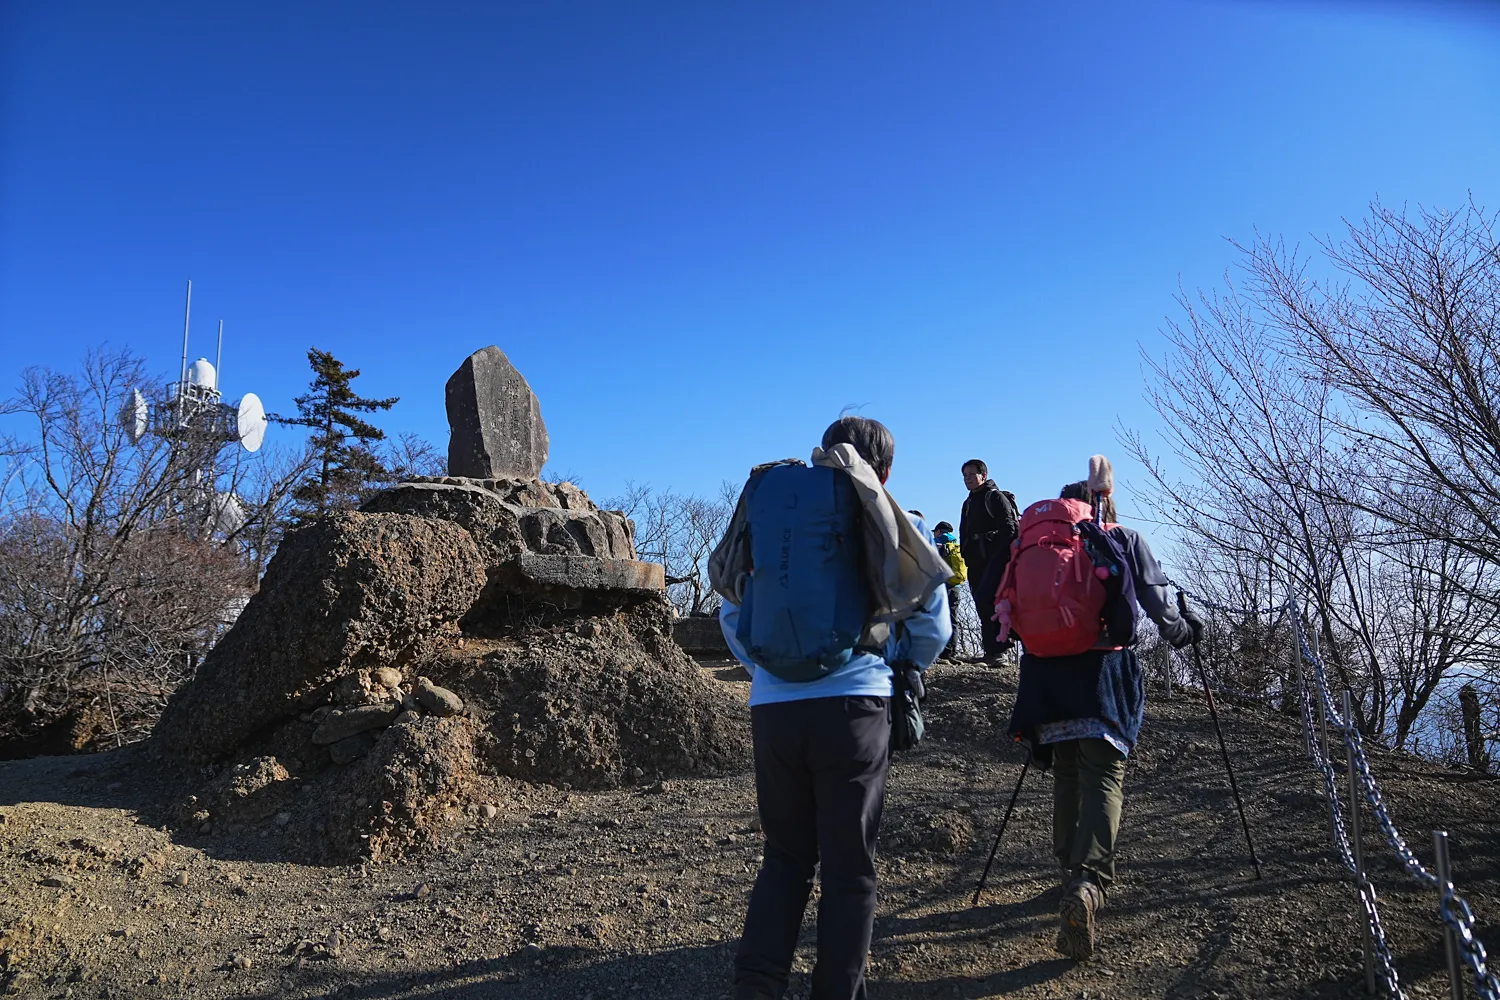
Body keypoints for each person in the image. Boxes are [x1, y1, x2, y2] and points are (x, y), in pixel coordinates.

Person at [709, 416, 952, 1000]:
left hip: (773, 709)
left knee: (786, 857)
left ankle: (757, 987)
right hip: (854, 708)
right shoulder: (894, 520)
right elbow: (932, 628)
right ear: (885, 471)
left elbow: (732, 613)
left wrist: (775, 668)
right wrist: (898, 667)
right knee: (849, 872)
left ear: (823, 454)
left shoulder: (776, 517)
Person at [1001, 458, 1203, 962]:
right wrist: (1186, 632)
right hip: (1102, 671)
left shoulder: (1039, 542)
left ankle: (1069, 870)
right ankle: (1088, 884)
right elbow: (1159, 607)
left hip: (1045, 673)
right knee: (1104, 773)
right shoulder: (1123, 538)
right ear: (1103, 501)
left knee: (1067, 770)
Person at [959, 459, 1019, 662]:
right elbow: (963, 531)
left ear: (983, 475)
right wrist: (966, 553)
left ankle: (1000, 651)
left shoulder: (995, 497)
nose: (967, 479)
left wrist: (998, 556)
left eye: (971, 474)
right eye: (965, 475)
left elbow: (1009, 529)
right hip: (975, 560)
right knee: (980, 602)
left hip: (995, 560)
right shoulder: (968, 503)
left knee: (992, 601)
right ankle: (991, 651)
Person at [930, 520, 965, 660]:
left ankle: (938, 652)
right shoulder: (956, 545)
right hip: (956, 586)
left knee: (938, 618)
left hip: (942, 586)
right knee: (953, 619)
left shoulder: (936, 543)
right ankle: (950, 653)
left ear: (939, 531)